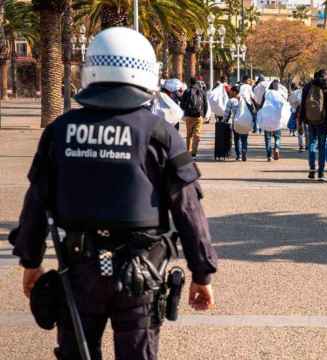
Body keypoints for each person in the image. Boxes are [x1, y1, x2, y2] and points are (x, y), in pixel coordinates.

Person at [10, 27, 217, 360]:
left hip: (78, 271)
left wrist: (30, 261)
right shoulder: (161, 134)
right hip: (141, 272)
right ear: (147, 71)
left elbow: (36, 203)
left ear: (91, 69)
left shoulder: (59, 132)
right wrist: (201, 273)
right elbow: (188, 209)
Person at [300, 69, 327, 181]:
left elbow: (302, 104)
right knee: (322, 146)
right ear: (324, 76)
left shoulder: (307, 86)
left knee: (311, 144)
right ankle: (321, 172)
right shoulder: (326, 86)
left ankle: (311, 169)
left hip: (310, 120)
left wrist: (302, 119)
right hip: (323, 121)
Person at [181, 77, 209, 158]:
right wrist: (203, 115)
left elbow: (182, 105)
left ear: (189, 83)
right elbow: (205, 104)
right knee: (197, 134)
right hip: (198, 116)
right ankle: (194, 153)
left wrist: (186, 112)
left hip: (189, 116)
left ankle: (188, 152)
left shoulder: (187, 91)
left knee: (189, 135)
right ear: (196, 83)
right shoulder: (201, 91)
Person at [224, 85, 249, 162]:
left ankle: (238, 155)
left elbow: (227, 113)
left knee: (237, 138)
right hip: (245, 121)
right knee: (244, 138)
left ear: (234, 92)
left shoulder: (231, 101)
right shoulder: (244, 99)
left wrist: (224, 120)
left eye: (231, 91)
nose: (230, 92)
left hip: (236, 122)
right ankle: (244, 150)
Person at [263, 79, 285, 161]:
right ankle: (276, 148)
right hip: (277, 117)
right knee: (277, 136)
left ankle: (269, 156)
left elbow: (262, 104)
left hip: (267, 117)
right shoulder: (280, 94)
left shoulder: (266, 93)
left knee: (268, 137)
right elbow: (284, 104)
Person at [289, 83, 306, 152]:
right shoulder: (309, 91)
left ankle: (301, 145)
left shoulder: (297, 92)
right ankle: (306, 145)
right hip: (306, 113)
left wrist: (294, 106)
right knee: (306, 129)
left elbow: (291, 100)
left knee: (300, 130)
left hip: (299, 113)